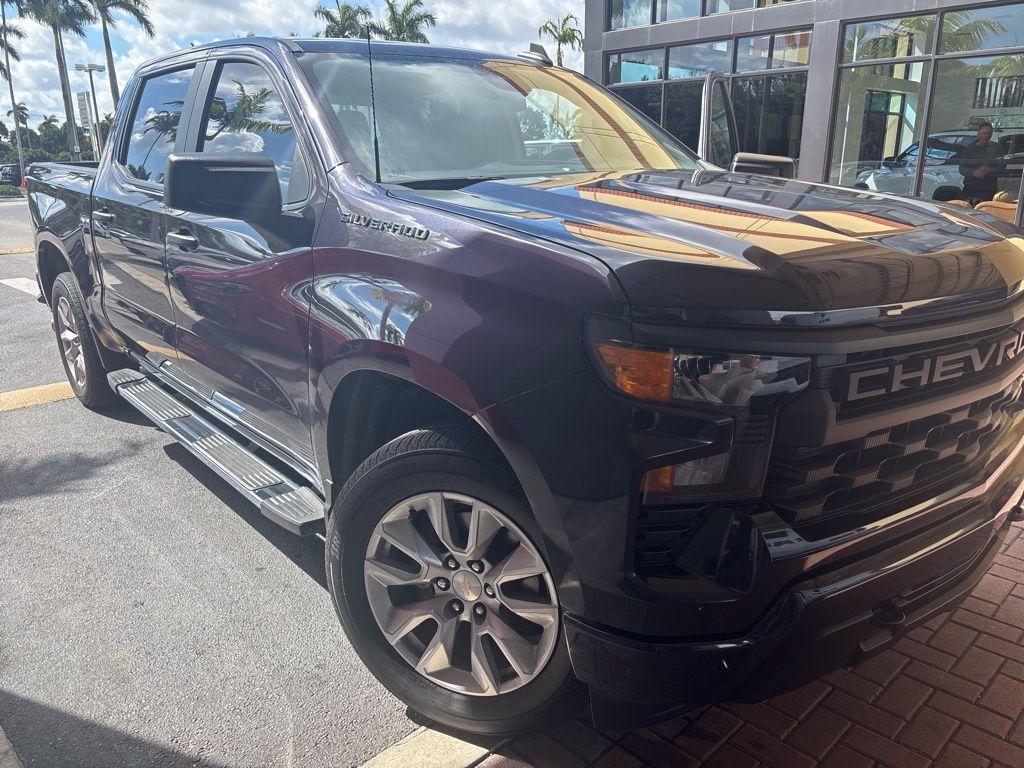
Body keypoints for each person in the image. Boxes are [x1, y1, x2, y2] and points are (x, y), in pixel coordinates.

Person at [958, 122, 1004, 203]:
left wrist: (989, 170)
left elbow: (1002, 167)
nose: (986, 136)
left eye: (989, 133)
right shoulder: (969, 149)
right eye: (984, 133)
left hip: (989, 189)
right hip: (970, 189)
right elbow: (962, 168)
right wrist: (974, 172)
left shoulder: (997, 148)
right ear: (978, 134)